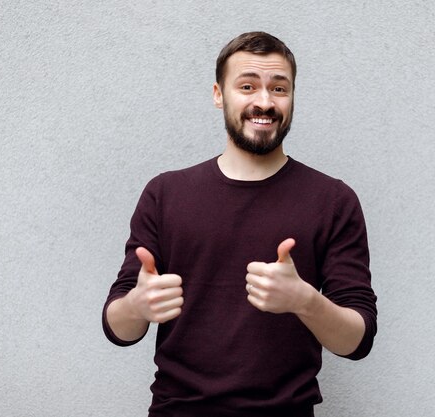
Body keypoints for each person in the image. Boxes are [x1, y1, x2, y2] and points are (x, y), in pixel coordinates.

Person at [102, 31, 377, 417]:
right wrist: (137, 304)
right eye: (247, 86)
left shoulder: (333, 200)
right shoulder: (165, 193)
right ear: (219, 95)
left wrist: (305, 301)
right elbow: (118, 329)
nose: (264, 102)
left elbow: (357, 340)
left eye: (279, 88)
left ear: (293, 97)